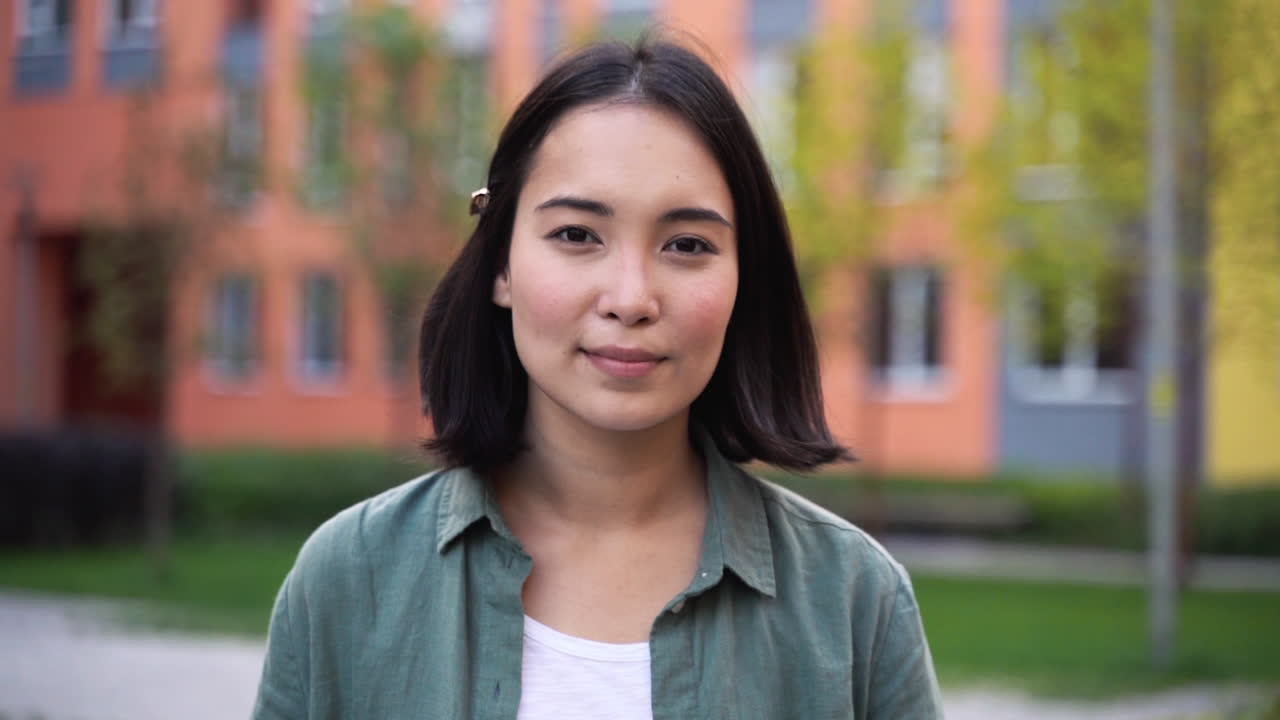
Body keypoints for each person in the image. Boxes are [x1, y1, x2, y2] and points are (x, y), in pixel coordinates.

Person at [253, 36, 942, 720]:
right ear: (501, 265)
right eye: (578, 235)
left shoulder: (855, 602)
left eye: (687, 245)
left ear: (744, 282)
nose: (632, 297)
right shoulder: (351, 579)